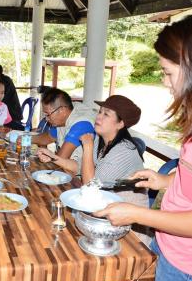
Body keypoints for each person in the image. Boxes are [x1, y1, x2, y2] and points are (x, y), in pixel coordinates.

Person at [95, 15, 192, 281]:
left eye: (168, 72)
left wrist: (136, 213)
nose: (163, 81)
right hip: (172, 248)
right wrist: (165, 180)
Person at [38, 95, 150, 243]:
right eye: (100, 111)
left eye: (106, 114)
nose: (99, 117)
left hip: (128, 230)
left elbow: (90, 185)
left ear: (120, 124)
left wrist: (88, 146)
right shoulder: (102, 141)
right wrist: (54, 158)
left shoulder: (123, 151)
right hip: (104, 212)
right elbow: (81, 168)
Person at [32, 88, 95, 173]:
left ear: (62, 110)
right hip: (65, 169)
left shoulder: (81, 124)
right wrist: (25, 139)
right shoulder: (64, 116)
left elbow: (61, 158)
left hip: (79, 178)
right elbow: (48, 137)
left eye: (48, 114)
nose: (46, 119)